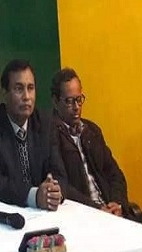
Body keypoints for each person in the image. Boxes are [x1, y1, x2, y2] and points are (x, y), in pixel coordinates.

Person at [0, 59, 66, 210]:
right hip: (3, 213)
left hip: (43, 212)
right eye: (19, 89)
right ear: (4, 93)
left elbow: (59, 173)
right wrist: (34, 196)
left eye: (30, 88)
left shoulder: (46, 123)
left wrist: (54, 191)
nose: (27, 97)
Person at [51, 68, 135, 219]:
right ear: (56, 102)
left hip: (110, 211)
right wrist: (96, 209)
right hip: (84, 216)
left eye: (79, 99)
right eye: (69, 101)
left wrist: (117, 203)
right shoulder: (50, 135)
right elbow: (63, 186)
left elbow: (115, 173)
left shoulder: (92, 131)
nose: (76, 107)